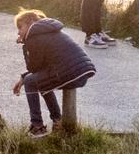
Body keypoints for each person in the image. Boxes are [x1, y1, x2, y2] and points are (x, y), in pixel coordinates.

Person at [11, 9, 96, 137]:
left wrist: (25, 45)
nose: (18, 32)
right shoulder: (48, 30)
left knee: (30, 82)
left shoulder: (34, 37)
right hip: (81, 70)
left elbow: (34, 67)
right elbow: (40, 69)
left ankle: (37, 126)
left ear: (31, 22)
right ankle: (58, 121)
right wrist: (24, 76)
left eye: (20, 27)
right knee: (39, 81)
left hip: (70, 72)